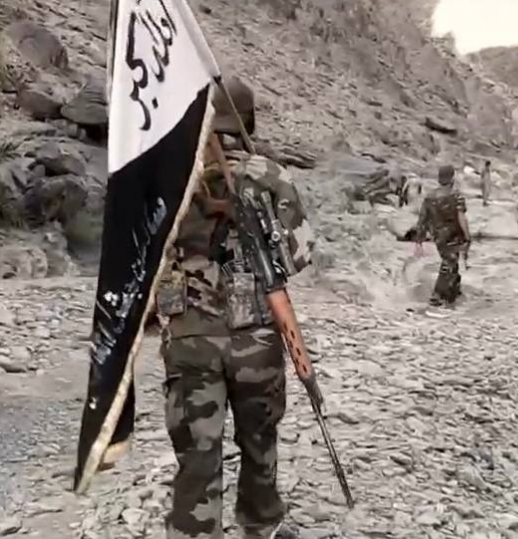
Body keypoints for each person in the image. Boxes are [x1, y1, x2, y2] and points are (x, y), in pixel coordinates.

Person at [153, 77, 315, 539]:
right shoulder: (270, 174)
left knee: (197, 446)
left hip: (189, 333)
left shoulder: (170, 171)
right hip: (256, 335)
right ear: (247, 120)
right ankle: (260, 522)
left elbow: (146, 251)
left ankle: (194, 530)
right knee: (259, 438)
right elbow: (298, 255)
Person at [415, 165, 471, 318]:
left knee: (451, 263)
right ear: (452, 178)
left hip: (438, 236)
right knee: (449, 264)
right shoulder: (456, 196)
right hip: (454, 235)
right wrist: (467, 236)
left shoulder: (430, 197)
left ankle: (452, 296)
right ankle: (437, 298)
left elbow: (423, 219)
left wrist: (419, 240)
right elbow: (461, 217)